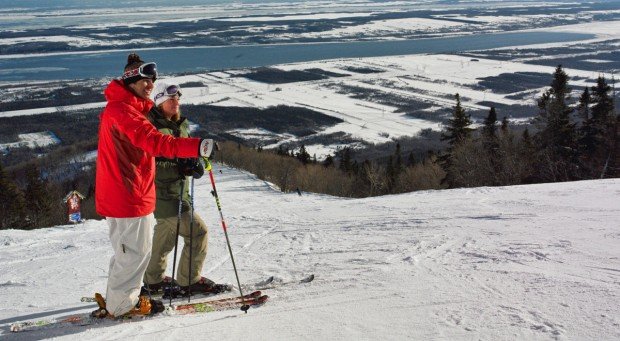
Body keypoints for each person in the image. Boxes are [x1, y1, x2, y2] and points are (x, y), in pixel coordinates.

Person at [95, 53, 215, 318]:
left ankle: (117, 299)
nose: (151, 84)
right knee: (134, 254)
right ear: (131, 79)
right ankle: (122, 306)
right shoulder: (123, 112)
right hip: (128, 195)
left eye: (153, 80)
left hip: (126, 194)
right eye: (146, 79)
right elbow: (156, 142)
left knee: (127, 252)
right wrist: (197, 147)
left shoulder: (123, 108)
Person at [143, 81, 229, 296]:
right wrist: (180, 166)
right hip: (166, 195)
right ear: (159, 101)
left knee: (165, 236)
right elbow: (149, 165)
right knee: (198, 233)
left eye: (178, 98)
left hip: (179, 193)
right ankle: (189, 282)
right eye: (170, 99)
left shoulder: (180, 126)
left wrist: (197, 162)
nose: (176, 102)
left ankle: (153, 281)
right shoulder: (154, 128)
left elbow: (187, 153)